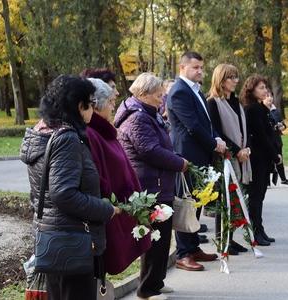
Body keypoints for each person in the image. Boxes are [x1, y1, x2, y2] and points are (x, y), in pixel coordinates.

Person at [20, 75, 119, 300]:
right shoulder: (67, 139)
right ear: (78, 106)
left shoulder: (42, 132)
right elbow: (64, 194)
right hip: (72, 240)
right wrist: (106, 209)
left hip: (54, 237)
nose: (92, 112)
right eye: (90, 105)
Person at [114, 73, 198, 298]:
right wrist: (179, 162)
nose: (162, 100)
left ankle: (156, 282)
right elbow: (149, 150)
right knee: (154, 241)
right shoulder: (137, 118)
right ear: (143, 94)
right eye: (158, 95)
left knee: (161, 239)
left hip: (159, 184)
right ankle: (147, 289)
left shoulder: (148, 113)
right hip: (151, 187)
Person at [83, 76, 152, 292]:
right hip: (108, 210)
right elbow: (97, 176)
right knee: (96, 274)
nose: (115, 106)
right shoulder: (93, 133)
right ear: (96, 104)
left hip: (118, 207)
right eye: (112, 102)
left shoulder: (104, 129)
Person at [166, 51, 225, 272]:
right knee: (187, 205)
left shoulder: (195, 90)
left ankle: (193, 247)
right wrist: (214, 144)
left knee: (198, 203)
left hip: (201, 154)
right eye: (195, 67)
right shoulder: (179, 92)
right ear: (182, 68)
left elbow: (206, 122)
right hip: (187, 155)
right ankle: (183, 254)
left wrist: (216, 138)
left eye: (201, 67)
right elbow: (192, 126)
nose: (200, 71)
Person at [205, 63, 252, 254]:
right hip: (224, 156)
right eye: (230, 77)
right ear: (220, 80)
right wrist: (235, 150)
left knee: (236, 199)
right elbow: (217, 131)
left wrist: (246, 148)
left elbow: (242, 129)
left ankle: (230, 238)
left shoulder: (236, 102)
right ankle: (221, 239)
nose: (235, 81)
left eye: (236, 77)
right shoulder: (213, 102)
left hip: (241, 154)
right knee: (226, 198)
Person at [242, 75, 282, 246]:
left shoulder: (261, 108)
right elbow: (261, 136)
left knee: (261, 196)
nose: (265, 90)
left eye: (265, 87)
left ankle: (260, 229)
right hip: (258, 158)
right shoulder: (253, 109)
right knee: (256, 197)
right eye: (261, 88)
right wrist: (275, 155)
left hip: (264, 158)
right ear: (251, 90)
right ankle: (255, 232)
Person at [264, 92, 288, 186]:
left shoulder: (275, 111)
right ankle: (267, 182)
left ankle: (283, 179)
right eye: (267, 96)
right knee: (267, 160)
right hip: (267, 141)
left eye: (271, 96)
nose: (270, 98)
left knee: (279, 159)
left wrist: (282, 127)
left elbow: (283, 124)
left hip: (277, 140)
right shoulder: (261, 111)